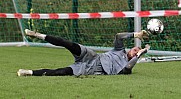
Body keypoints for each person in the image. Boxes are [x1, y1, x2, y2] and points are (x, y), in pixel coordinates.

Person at [17, 29, 150, 76]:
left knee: (62, 72)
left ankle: (29, 72)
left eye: (137, 52)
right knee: (68, 44)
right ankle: (38, 35)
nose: (135, 52)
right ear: (131, 48)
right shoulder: (119, 50)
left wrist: (140, 54)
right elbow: (118, 36)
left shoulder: (127, 67)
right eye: (135, 49)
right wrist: (136, 34)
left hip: (91, 69)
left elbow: (128, 66)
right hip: (92, 56)